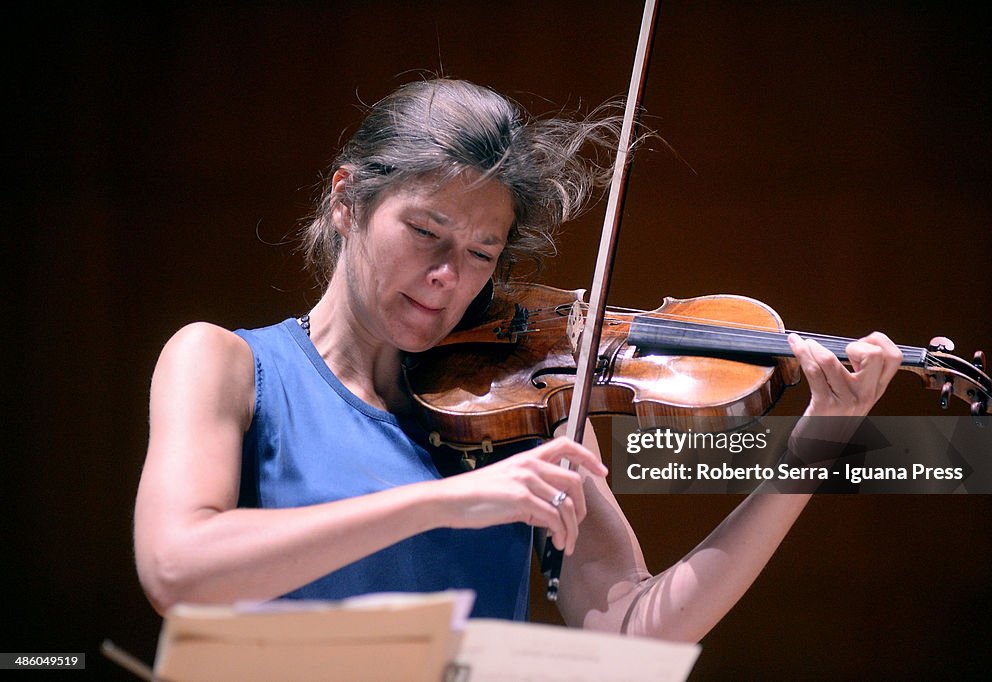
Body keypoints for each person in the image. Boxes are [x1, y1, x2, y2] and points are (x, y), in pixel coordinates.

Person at [134, 78, 902, 642]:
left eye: (480, 253)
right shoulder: (225, 364)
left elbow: (635, 629)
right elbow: (177, 569)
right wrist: (443, 502)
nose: (449, 278)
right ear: (346, 200)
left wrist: (812, 451)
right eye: (427, 232)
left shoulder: (525, 412)